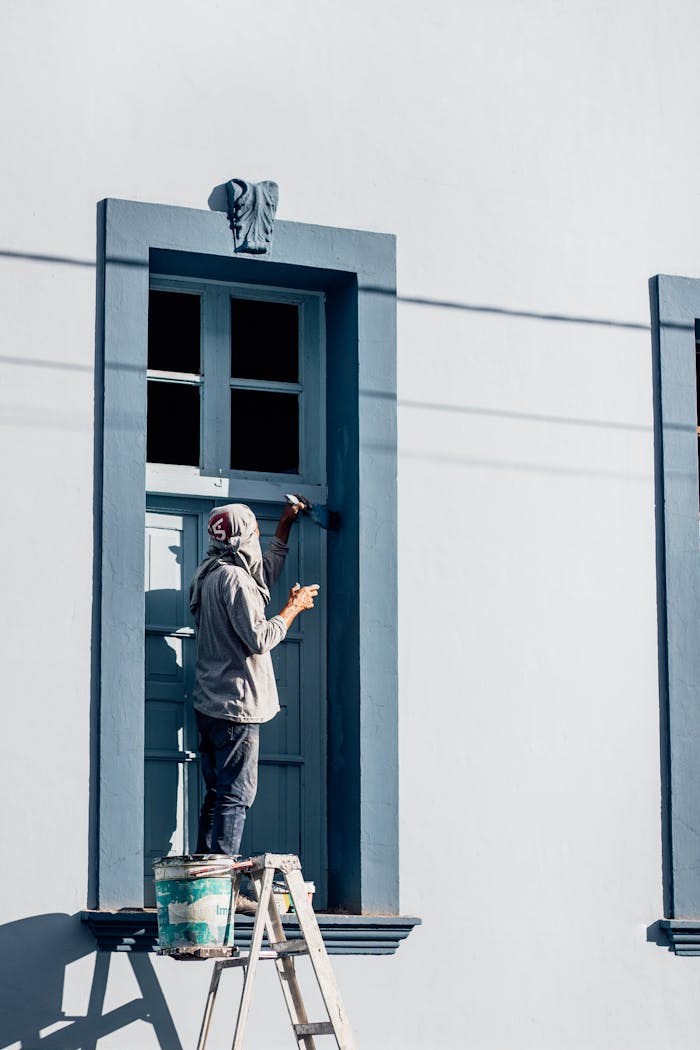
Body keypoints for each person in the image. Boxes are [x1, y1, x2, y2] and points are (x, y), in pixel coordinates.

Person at [188, 500, 319, 874]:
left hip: (210, 703)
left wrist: (284, 525)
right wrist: (294, 607)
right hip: (237, 706)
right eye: (255, 533)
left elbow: (261, 576)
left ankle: (204, 881)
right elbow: (260, 637)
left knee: (217, 796)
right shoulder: (235, 580)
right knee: (236, 796)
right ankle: (221, 885)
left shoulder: (209, 572)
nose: (258, 538)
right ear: (243, 537)